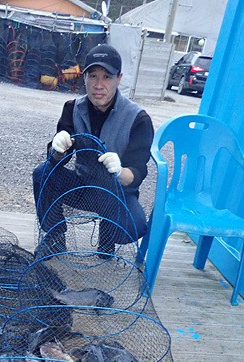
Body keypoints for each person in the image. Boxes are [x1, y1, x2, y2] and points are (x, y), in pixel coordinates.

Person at [33, 43, 154, 255]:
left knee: (132, 226)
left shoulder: (138, 118)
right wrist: (58, 149)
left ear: (119, 78)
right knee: (42, 173)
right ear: (84, 78)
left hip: (116, 193)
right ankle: (55, 237)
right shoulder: (72, 108)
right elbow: (56, 161)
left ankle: (107, 236)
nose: (98, 85)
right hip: (83, 186)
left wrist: (120, 171)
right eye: (93, 76)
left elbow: (137, 173)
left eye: (107, 77)